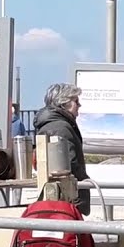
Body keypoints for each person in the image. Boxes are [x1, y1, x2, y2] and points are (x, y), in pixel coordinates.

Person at [32, 83, 90, 216]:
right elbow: (70, 163)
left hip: (63, 194)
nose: (79, 105)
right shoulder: (60, 127)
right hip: (67, 195)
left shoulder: (56, 125)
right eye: (76, 101)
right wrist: (85, 181)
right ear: (64, 103)